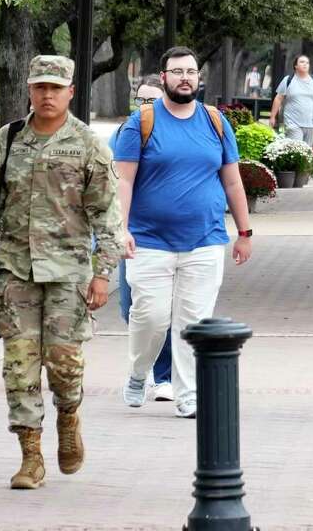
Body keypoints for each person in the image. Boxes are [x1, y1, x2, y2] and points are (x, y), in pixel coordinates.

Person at [0, 55, 124, 490]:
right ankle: (30, 456)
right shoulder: (9, 138)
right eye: (40, 87)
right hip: (14, 270)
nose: (47, 95)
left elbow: (107, 214)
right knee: (18, 367)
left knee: (64, 364)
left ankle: (69, 417)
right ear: (30, 91)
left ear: (71, 91)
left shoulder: (88, 143)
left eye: (56, 88)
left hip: (68, 272)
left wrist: (103, 272)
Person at [113, 46, 253, 419]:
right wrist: (120, 230)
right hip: (149, 241)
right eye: (177, 72)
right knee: (151, 317)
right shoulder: (140, 123)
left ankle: (187, 392)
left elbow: (233, 182)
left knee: (193, 321)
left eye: (191, 71)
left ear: (199, 78)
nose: (185, 78)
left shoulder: (215, 122)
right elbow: (123, 182)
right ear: (164, 79)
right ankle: (139, 373)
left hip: (204, 241)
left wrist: (245, 231)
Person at [108, 75, 172, 403]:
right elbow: (108, 184)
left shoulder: (172, 134)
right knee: (130, 307)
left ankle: (163, 377)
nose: (146, 107)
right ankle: (141, 367)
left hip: (163, 238)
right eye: (141, 100)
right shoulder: (123, 134)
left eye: (152, 101)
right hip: (129, 233)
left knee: (162, 310)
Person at [268, 54, 313, 145]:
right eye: (302, 62)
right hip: (293, 123)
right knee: (296, 149)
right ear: (295, 66)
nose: (305, 64)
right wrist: (272, 117)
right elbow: (278, 98)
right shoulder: (288, 80)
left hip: (311, 123)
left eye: (307, 63)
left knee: (307, 153)